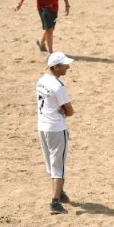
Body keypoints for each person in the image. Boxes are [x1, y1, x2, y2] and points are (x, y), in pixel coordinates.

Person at [37, 52, 76, 215]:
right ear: (56, 67)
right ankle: (55, 202)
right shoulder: (58, 87)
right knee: (58, 166)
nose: (68, 67)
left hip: (43, 128)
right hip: (56, 129)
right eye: (64, 65)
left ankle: (60, 192)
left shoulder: (41, 81)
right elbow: (70, 111)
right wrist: (63, 110)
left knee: (51, 164)